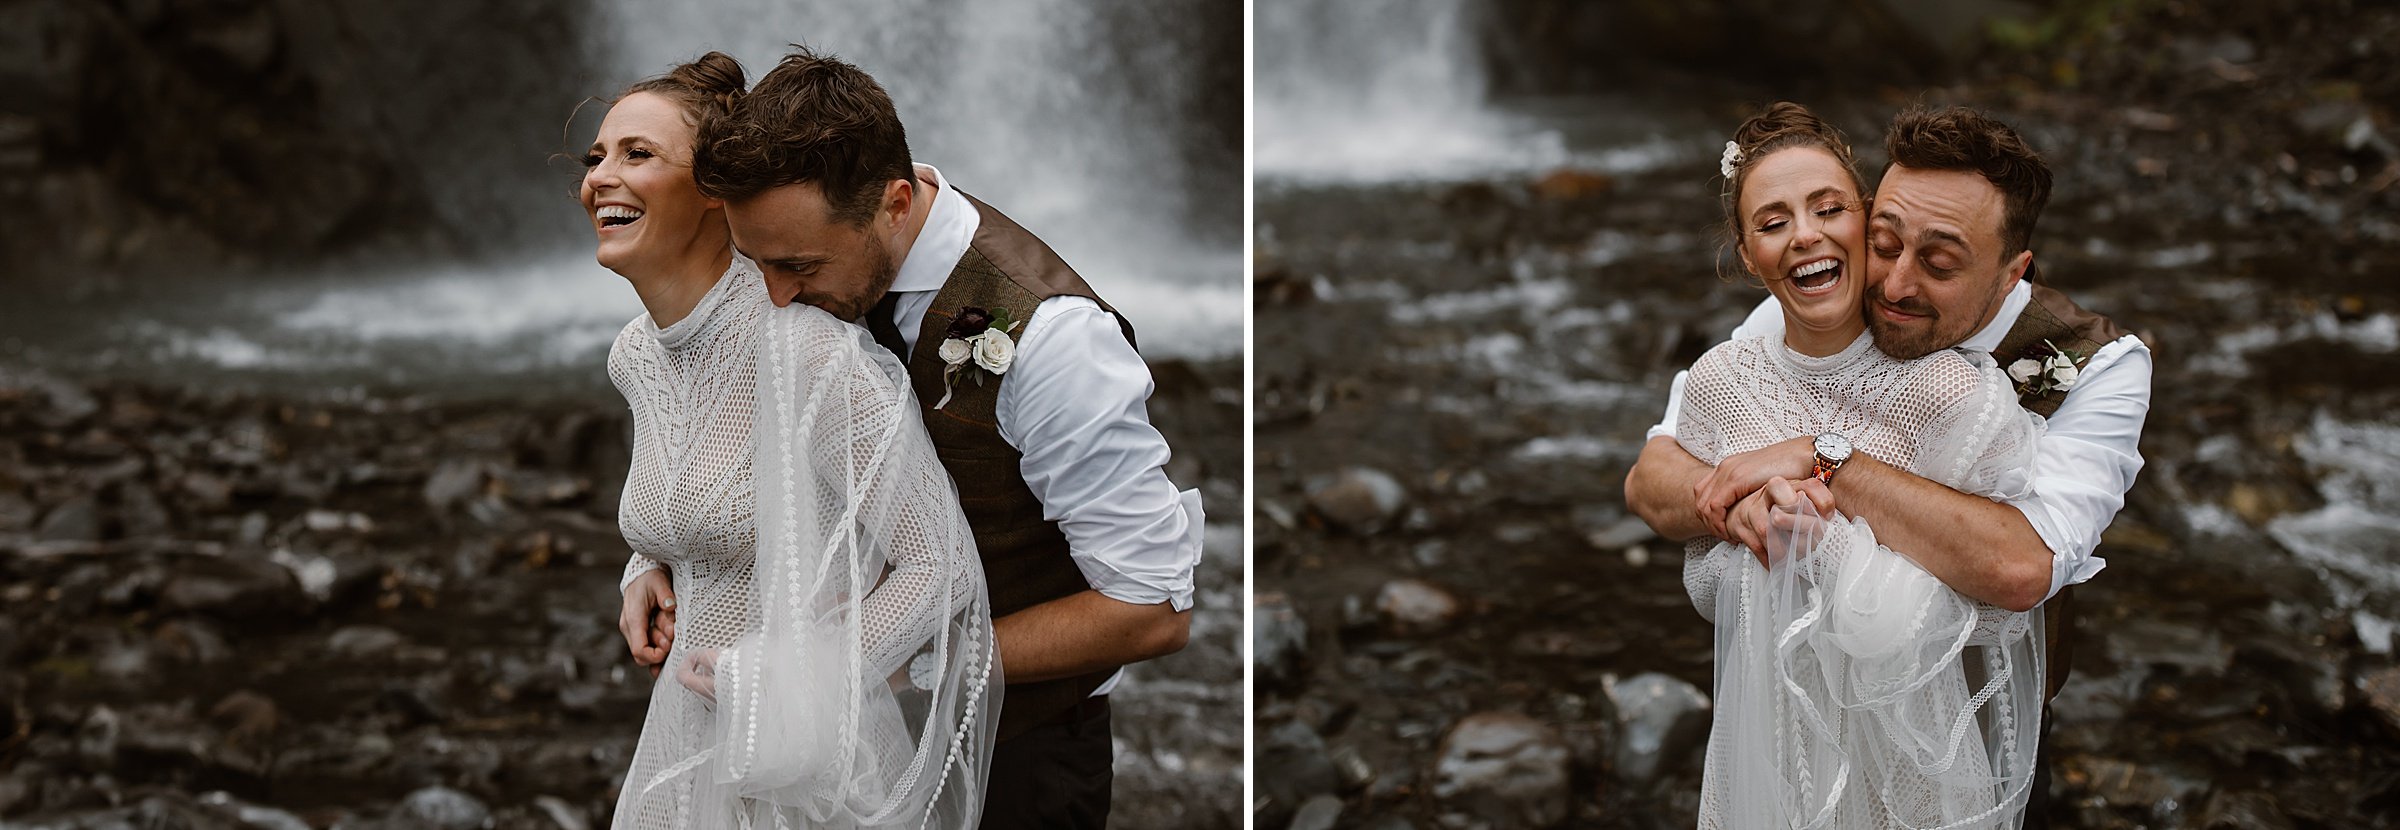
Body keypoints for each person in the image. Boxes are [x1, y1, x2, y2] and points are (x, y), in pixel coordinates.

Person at [659, 46, 1204, 829]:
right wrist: (653, 559)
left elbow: (1151, 608)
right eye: (756, 263)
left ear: (895, 202)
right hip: (821, 755)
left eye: (798, 266)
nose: (774, 298)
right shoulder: (791, 249)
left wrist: (899, 662)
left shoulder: (1055, 342)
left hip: (1016, 764)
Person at [1627, 104, 2154, 827]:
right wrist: (1736, 499)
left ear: (2011, 274)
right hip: (1803, 723)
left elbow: (2020, 565)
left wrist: (1826, 461)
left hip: (1980, 734)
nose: (1897, 285)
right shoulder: (1827, 296)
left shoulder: (2096, 367)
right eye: (1886, 242)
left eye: (1940, 263)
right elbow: (1654, 477)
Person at [586, 53, 999, 829]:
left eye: (637, 155)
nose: (600, 176)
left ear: (716, 197)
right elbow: (703, 494)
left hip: (800, 768)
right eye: (597, 156)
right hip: (681, 745)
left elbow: (942, 569)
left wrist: (778, 678)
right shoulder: (636, 356)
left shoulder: (811, 351)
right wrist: (647, 564)